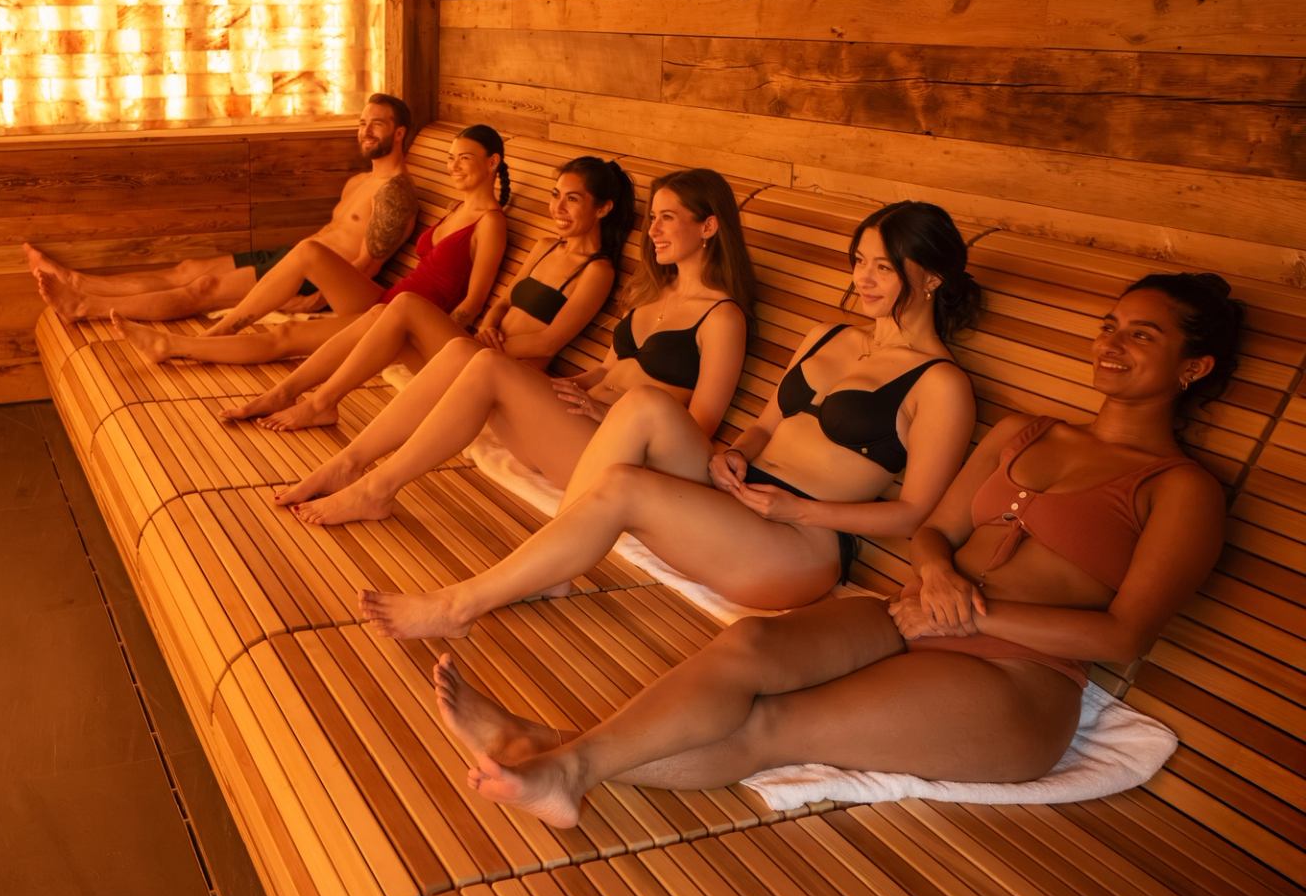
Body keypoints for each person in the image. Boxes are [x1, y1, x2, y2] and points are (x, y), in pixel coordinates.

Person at [428, 273, 1241, 830]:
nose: (1113, 342)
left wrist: (974, 610)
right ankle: (556, 763)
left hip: (1016, 680)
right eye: (1110, 325)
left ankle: (551, 755)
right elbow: (934, 528)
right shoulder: (1026, 431)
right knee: (746, 646)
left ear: (1194, 367)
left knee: (774, 723)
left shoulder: (1179, 489)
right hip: (915, 612)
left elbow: (1124, 636)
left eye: (1143, 335)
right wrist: (936, 573)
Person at [361, 201, 979, 632]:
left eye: (882, 265)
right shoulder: (827, 335)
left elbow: (913, 513)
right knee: (645, 404)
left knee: (624, 486)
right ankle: (552, 564)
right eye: (859, 261)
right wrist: (736, 451)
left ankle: (459, 606)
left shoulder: (941, 385)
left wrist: (801, 510)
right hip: (738, 491)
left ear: (931, 277)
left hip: (801, 542)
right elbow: (764, 426)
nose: (862, 278)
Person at [283, 169, 755, 527]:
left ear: (709, 226)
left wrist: (603, 415)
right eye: (652, 218)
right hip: (571, 431)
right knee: (464, 355)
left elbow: (697, 433)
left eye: (667, 219)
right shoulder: (652, 294)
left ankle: (376, 488)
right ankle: (349, 465)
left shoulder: (722, 318)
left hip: (622, 457)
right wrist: (555, 389)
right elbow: (605, 372)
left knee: (486, 364)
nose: (653, 231)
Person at [220, 157, 635, 431]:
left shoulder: (596, 270)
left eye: (573, 200)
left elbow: (549, 340)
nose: (558, 208)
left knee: (400, 306)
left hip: (510, 371)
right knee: (379, 316)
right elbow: (505, 301)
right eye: (555, 196)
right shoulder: (547, 246)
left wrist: (493, 342)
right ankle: (292, 394)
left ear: (603, 209)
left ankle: (318, 402)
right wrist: (489, 325)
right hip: (480, 349)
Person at [111, 126, 513, 368]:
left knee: (285, 337)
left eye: (464, 158)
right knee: (308, 251)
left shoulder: (490, 222)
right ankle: (224, 328)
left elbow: (471, 304)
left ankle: (174, 346)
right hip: (386, 299)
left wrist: (440, 354)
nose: (453, 166)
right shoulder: (455, 207)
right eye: (450, 158)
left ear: (492, 162)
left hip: (403, 323)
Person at [29, 93, 419, 321]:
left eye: (377, 125)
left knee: (203, 288)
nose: (364, 131)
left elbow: (367, 267)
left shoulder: (394, 195)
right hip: (297, 259)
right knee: (188, 269)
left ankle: (85, 306)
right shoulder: (359, 181)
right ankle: (79, 281)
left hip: (316, 279)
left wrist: (314, 301)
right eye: (363, 122)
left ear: (398, 134)